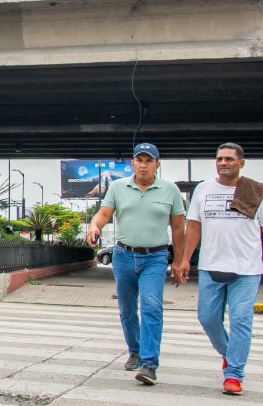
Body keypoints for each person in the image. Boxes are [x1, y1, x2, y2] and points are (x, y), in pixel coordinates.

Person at [172, 142, 263, 397]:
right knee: (207, 319)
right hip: (210, 267)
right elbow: (194, 227)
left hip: (246, 270)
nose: (223, 163)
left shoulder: (255, 191)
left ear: (241, 163)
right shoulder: (203, 189)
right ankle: (231, 353)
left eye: (228, 159)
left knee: (240, 320)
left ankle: (234, 374)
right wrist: (184, 260)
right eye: (219, 159)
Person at [86, 142, 185, 386]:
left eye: (148, 161)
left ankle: (149, 364)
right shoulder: (118, 187)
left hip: (155, 257)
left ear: (157, 165)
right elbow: (104, 214)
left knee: (151, 306)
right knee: (127, 309)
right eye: (139, 160)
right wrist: (94, 226)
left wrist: (180, 261)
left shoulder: (170, 190)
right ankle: (135, 351)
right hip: (123, 256)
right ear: (132, 163)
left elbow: (178, 228)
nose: (143, 165)